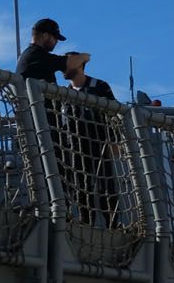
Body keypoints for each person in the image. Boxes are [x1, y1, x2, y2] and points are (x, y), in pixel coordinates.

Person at [62, 58, 120, 223]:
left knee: (105, 186)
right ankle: (86, 222)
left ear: (79, 65)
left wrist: (115, 140)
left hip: (98, 144)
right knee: (80, 186)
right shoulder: (63, 94)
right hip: (74, 148)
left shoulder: (99, 87)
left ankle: (112, 223)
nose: (63, 68)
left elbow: (114, 113)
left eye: (66, 64)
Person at [15, 18, 73, 84]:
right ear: (45, 36)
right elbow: (70, 62)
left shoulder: (31, 53)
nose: (57, 41)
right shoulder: (37, 55)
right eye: (55, 37)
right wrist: (84, 57)